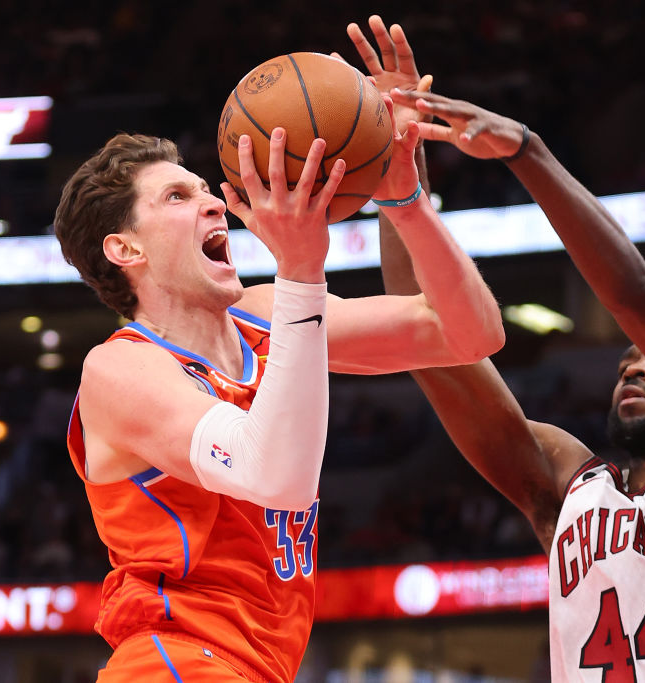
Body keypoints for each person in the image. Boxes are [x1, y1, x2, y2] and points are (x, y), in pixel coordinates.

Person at [50, 38, 505, 683]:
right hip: (176, 663)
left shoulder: (267, 317)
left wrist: (401, 194)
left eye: (207, 190)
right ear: (125, 249)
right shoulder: (119, 370)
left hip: (262, 665)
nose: (212, 202)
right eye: (177, 198)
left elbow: (468, 334)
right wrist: (301, 268)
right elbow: (273, 475)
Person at [361, 26, 645, 680]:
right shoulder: (567, 488)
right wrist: (397, 184)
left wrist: (527, 151)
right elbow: (423, 338)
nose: (631, 364)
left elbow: (637, 294)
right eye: (625, 359)